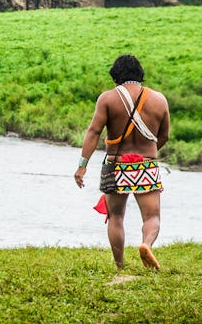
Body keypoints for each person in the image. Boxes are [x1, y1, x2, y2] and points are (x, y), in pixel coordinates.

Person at [74, 54, 170, 270]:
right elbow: (164, 136)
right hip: (146, 166)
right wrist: (148, 157)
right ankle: (146, 244)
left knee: (116, 215)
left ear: (115, 76)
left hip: (116, 166)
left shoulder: (107, 99)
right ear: (140, 75)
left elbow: (94, 132)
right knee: (152, 216)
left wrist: (82, 166)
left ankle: (119, 266)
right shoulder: (159, 100)